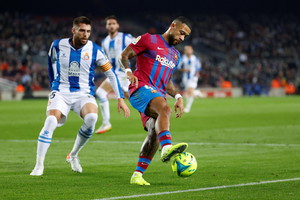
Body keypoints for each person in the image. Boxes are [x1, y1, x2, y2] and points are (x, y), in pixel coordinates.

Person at [30, 16, 130, 176]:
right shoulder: (57, 45)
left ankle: (73, 155)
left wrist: (120, 99)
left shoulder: (95, 50)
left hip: (83, 94)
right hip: (61, 91)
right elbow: (50, 65)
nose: (85, 34)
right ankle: (39, 165)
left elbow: (111, 75)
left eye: (88, 31)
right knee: (50, 120)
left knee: (91, 118)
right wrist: (53, 87)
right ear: (73, 30)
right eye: (82, 30)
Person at [119, 16, 192, 185]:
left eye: (185, 37)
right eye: (181, 33)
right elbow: (125, 55)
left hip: (156, 94)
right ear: (173, 25)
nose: (182, 38)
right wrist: (129, 72)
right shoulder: (148, 39)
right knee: (165, 110)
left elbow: (167, 81)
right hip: (139, 88)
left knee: (154, 132)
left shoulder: (175, 55)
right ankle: (167, 148)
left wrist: (179, 96)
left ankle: (137, 175)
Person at [94, 15, 133, 134]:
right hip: (114, 73)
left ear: (117, 25)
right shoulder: (105, 41)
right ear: (106, 26)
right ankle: (106, 123)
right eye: (109, 24)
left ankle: (151, 112)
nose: (111, 26)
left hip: (123, 73)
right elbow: (104, 59)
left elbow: (138, 46)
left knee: (131, 97)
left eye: (113, 23)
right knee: (101, 93)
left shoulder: (125, 37)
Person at [178, 45, 201, 113]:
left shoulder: (195, 58)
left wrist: (197, 72)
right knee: (188, 92)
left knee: (190, 91)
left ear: (192, 51)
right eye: (187, 50)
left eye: (189, 50)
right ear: (185, 51)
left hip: (193, 77)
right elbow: (178, 67)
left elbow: (199, 67)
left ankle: (188, 107)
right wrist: (184, 69)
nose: (188, 51)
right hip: (185, 78)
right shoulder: (182, 58)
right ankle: (197, 92)